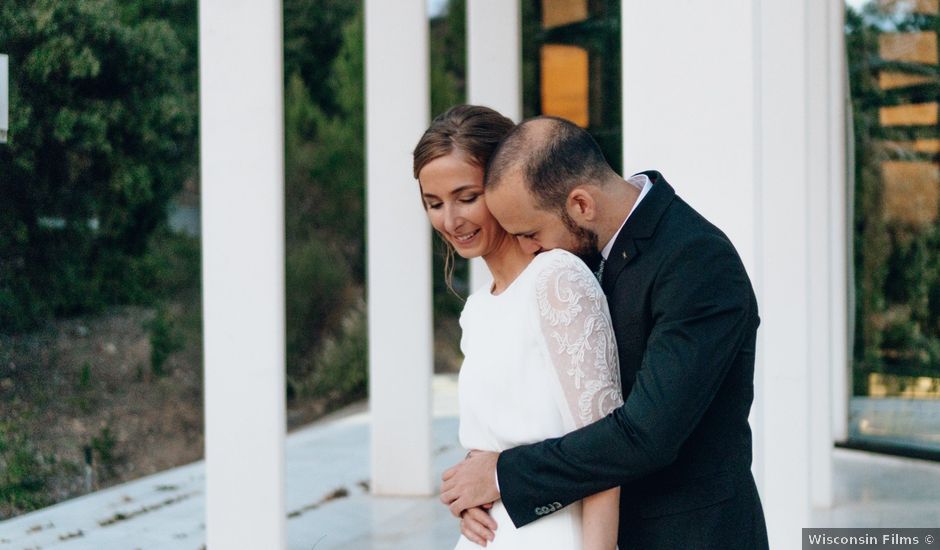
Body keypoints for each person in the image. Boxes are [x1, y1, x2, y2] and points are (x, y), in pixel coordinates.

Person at [440, 116, 770, 550]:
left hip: (690, 536)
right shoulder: (583, 250)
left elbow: (646, 435)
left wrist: (503, 476)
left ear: (580, 205)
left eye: (532, 233)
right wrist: (479, 487)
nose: (528, 249)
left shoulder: (697, 262)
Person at [414, 105, 623, 549]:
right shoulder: (476, 309)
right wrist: (468, 494)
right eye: (434, 204)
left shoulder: (556, 279)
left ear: (502, 184)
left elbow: (606, 453)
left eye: (466, 197)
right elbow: (492, 439)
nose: (451, 221)